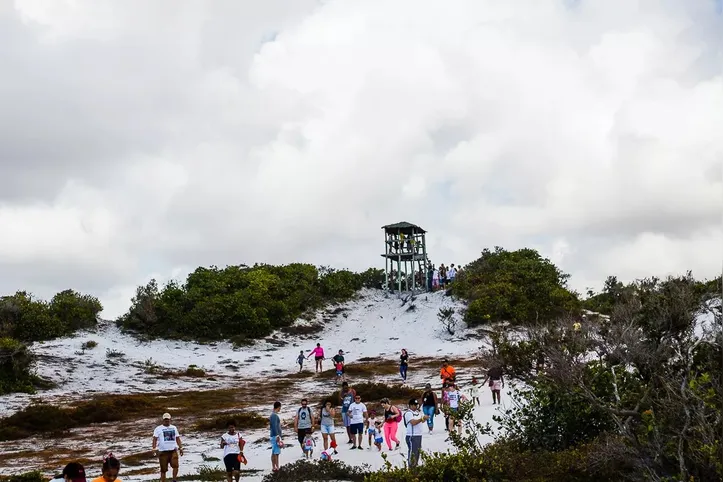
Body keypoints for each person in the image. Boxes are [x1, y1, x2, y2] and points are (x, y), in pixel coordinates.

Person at [152, 413, 183, 482]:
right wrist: (154, 449)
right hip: (163, 452)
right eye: (165, 420)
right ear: (163, 420)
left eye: (168, 420)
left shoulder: (174, 428)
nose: (167, 421)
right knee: (163, 469)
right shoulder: (158, 429)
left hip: (173, 450)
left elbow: (177, 438)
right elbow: (154, 439)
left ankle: (174, 480)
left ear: (170, 420)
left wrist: (180, 448)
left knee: (175, 466)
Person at [403, 399, 428, 468]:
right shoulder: (408, 413)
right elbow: (413, 422)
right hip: (412, 436)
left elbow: (421, 421)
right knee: (412, 453)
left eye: (417, 405)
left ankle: (415, 467)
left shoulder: (417, 412)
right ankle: (411, 468)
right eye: (414, 405)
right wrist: (421, 419)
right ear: (410, 405)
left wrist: (425, 418)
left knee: (417, 452)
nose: (416, 406)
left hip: (418, 435)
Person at [269, 401, 283, 472]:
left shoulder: (273, 415)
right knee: (276, 453)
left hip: (273, 435)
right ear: (279, 407)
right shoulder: (274, 415)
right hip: (275, 436)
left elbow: (275, 425)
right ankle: (276, 467)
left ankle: (274, 467)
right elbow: (274, 426)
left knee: (274, 451)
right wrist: (277, 435)